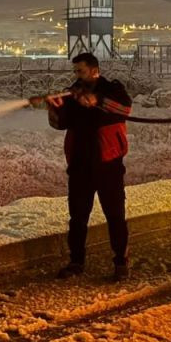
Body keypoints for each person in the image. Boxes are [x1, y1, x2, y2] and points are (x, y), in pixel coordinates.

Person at [45, 52, 132, 281]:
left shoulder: (112, 89)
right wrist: (53, 109)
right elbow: (60, 124)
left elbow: (125, 109)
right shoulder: (72, 95)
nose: (77, 75)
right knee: (77, 218)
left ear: (94, 70)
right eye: (75, 71)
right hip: (79, 167)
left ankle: (121, 263)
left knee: (115, 216)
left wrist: (98, 101)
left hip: (108, 166)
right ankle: (76, 262)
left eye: (80, 71)